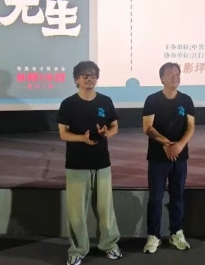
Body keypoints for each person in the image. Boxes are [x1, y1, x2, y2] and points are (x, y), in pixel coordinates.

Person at [57, 61, 123, 265]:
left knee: (105, 209)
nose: (89, 79)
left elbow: (114, 126)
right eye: (84, 76)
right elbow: (63, 133)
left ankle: (110, 245)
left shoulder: (105, 101)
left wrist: (106, 133)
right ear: (76, 79)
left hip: (102, 162)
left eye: (93, 75)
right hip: (76, 164)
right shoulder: (68, 104)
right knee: (76, 212)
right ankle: (78, 250)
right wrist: (81, 138)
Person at [142, 63, 195, 253]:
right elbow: (147, 127)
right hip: (158, 156)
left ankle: (176, 232)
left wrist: (179, 145)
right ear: (161, 78)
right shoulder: (152, 99)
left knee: (177, 196)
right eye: (170, 73)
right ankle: (153, 235)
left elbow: (190, 127)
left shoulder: (186, 100)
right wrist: (166, 144)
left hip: (180, 156)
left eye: (177, 73)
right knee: (156, 197)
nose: (175, 76)